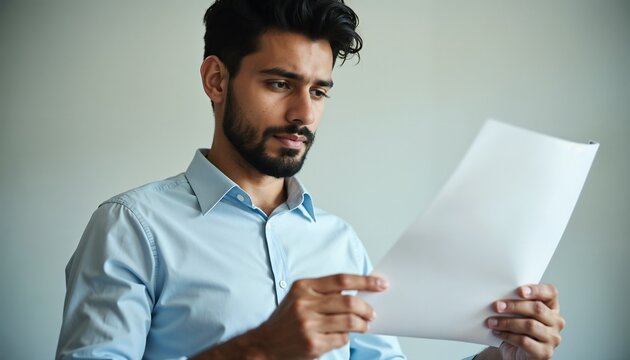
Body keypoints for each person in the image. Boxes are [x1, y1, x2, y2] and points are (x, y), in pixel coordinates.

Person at [56, 0, 565, 359]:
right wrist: (257, 350)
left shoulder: (339, 242)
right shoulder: (131, 227)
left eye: (319, 91)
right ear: (216, 79)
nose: (304, 113)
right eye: (280, 83)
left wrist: (502, 359)